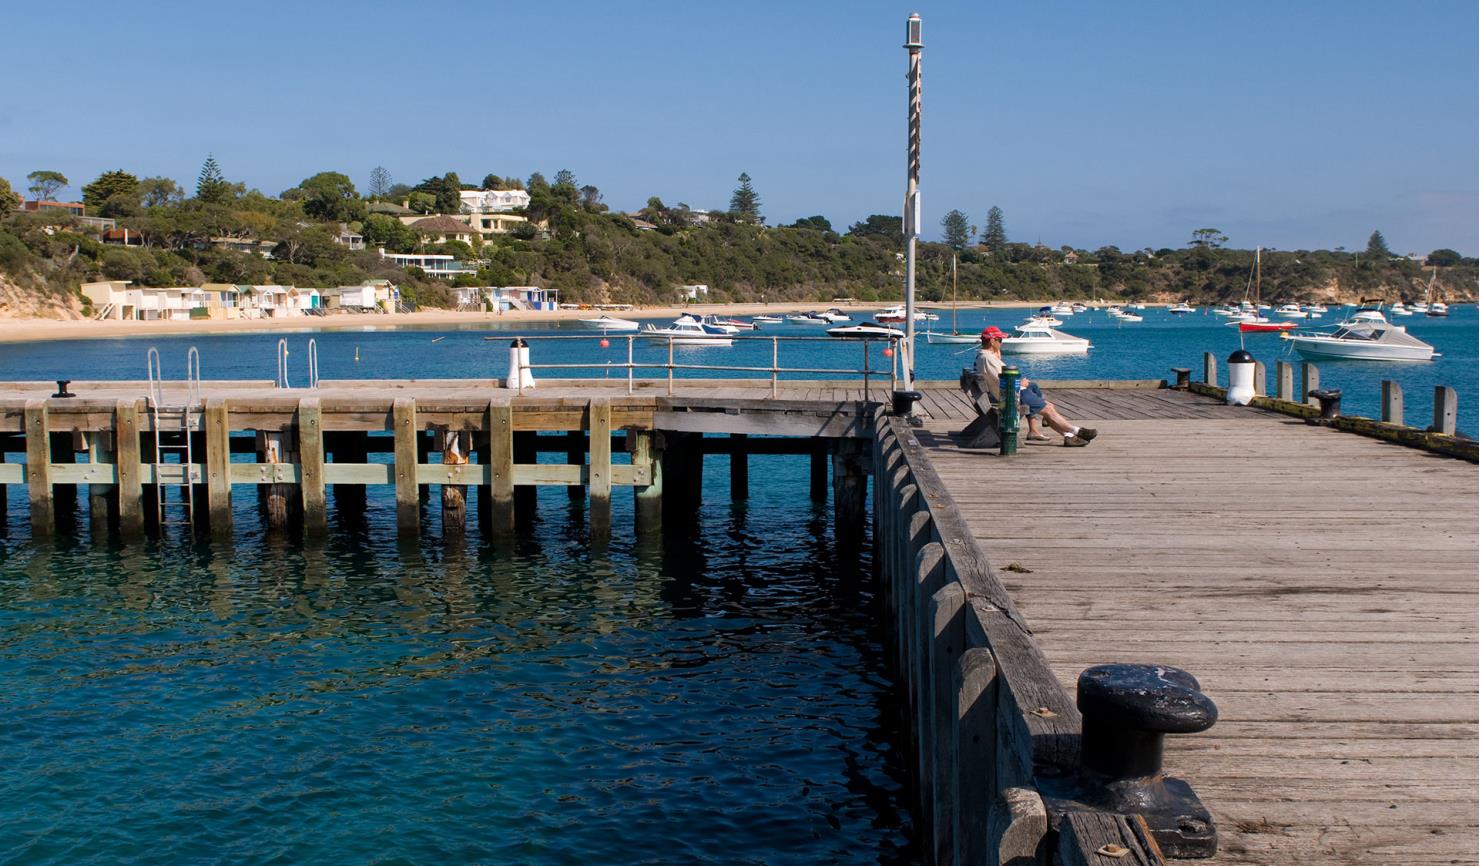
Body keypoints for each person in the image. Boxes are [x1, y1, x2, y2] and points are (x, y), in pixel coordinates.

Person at [973, 326, 1098, 447]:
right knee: (1048, 408)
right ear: (992, 341)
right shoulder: (988, 358)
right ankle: (1076, 431)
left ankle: (1065, 434)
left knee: (1035, 390)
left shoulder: (985, 356)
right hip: (1010, 396)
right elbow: (1003, 381)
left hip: (1003, 394)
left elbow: (997, 377)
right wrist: (1021, 383)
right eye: (999, 340)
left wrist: (998, 356)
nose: (1001, 342)